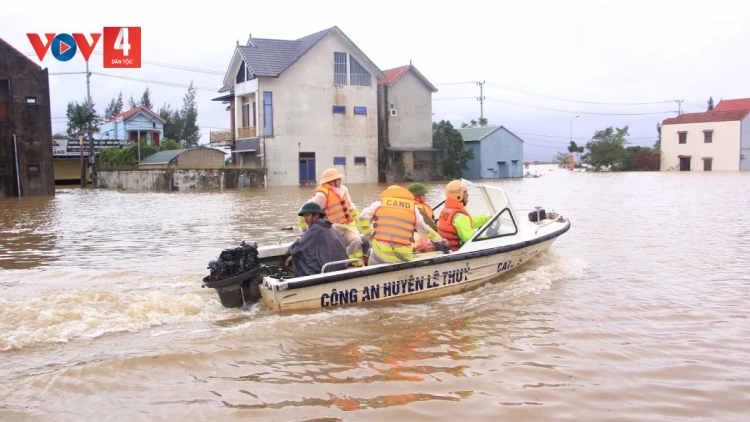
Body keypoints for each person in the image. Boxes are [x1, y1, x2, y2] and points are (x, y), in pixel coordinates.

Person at [359, 185, 449, 265]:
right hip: (402, 257)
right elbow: (424, 229)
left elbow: (363, 217)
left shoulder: (379, 204)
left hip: (380, 255)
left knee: (372, 256)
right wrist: (439, 239)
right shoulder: (413, 208)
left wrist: (369, 236)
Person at [299, 168, 365, 266]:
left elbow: (352, 208)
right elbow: (305, 211)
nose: (340, 180)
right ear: (331, 181)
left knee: (357, 240)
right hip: (331, 228)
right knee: (335, 245)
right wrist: (305, 232)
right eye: (338, 179)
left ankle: (357, 265)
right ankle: (339, 266)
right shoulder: (321, 195)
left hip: (347, 227)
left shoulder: (344, 190)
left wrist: (361, 225)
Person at [285, 202, 348, 277]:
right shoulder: (327, 226)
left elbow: (299, 245)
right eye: (304, 216)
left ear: (317, 215)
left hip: (326, 269)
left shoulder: (316, 228)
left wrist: (289, 251)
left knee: (297, 256)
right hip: (337, 267)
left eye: (307, 215)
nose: (305, 219)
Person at [438, 179, 491, 252]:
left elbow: (469, 221)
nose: (468, 195)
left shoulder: (447, 210)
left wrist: (487, 218)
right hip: (456, 252)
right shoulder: (459, 217)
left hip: (447, 250)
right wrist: (490, 238)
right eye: (465, 192)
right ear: (458, 195)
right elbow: (470, 237)